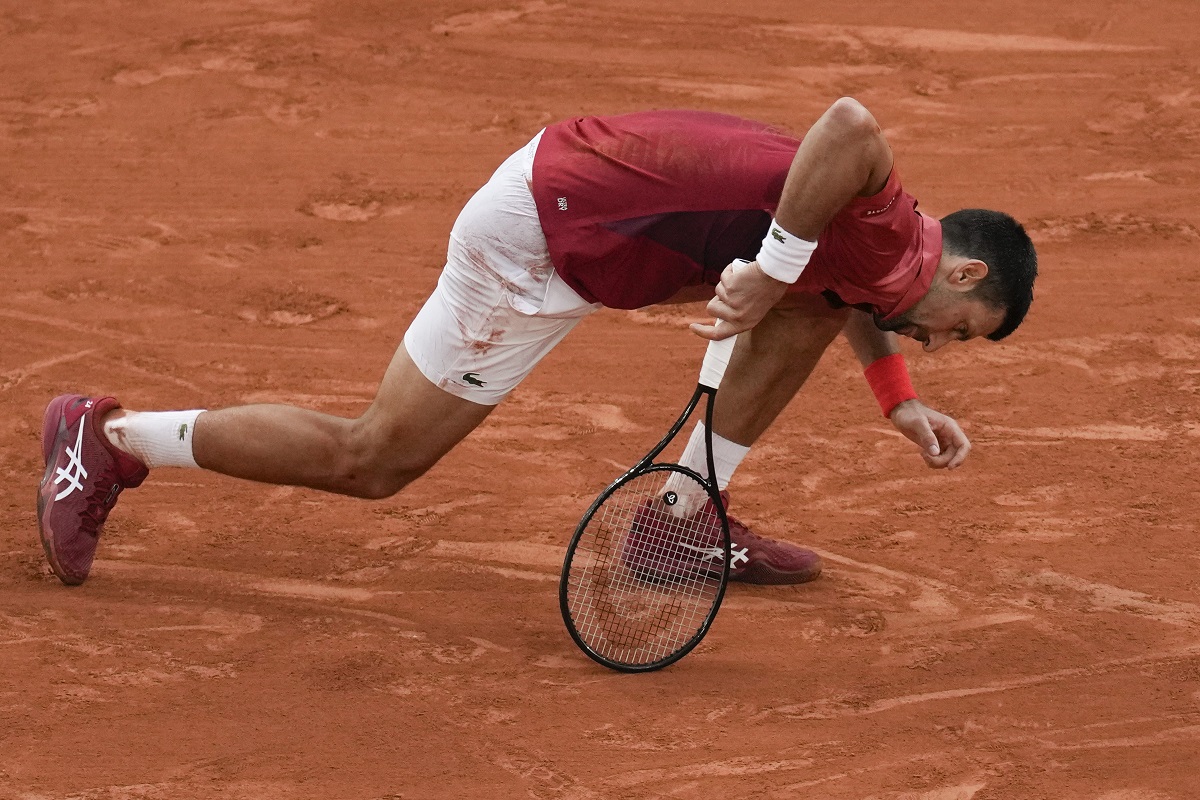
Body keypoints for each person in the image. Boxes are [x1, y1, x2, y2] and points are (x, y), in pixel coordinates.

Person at [36, 97, 1037, 588]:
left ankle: (678, 519)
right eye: (958, 332)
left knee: (809, 310)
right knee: (373, 458)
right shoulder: (894, 237)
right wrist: (772, 267)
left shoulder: (889, 252)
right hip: (540, 240)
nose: (939, 343)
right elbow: (851, 126)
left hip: (576, 193)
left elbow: (845, 294)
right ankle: (110, 438)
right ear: (964, 275)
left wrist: (898, 398)